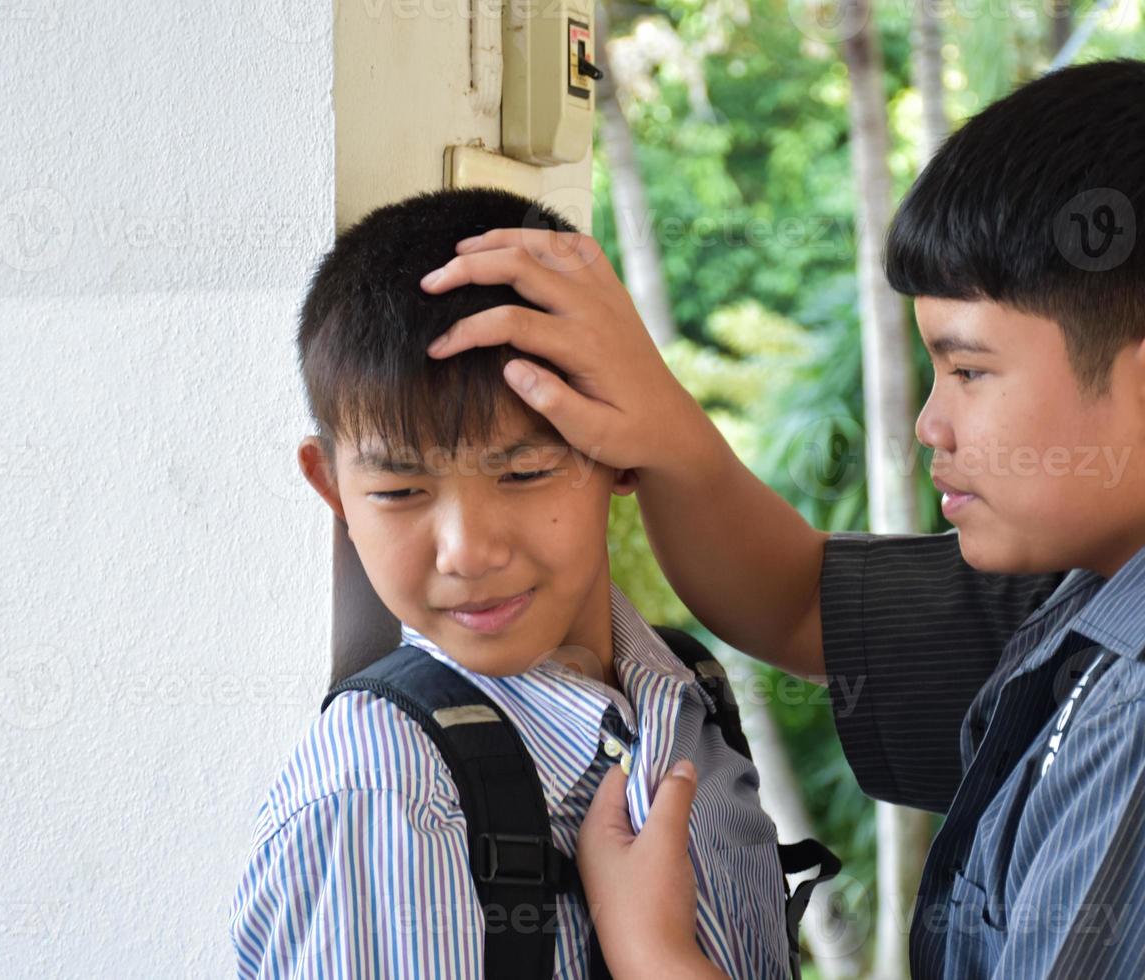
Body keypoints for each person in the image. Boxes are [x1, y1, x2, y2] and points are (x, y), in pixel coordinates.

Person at [419, 60, 1145, 978]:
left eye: (969, 368)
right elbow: (799, 601)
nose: (927, 421)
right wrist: (663, 423)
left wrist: (653, 955)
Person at [229, 187, 790, 978]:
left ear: (618, 449)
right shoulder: (388, 797)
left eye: (524, 471)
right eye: (398, 492)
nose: (467, 551)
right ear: (333, 493)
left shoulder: (686, 700)